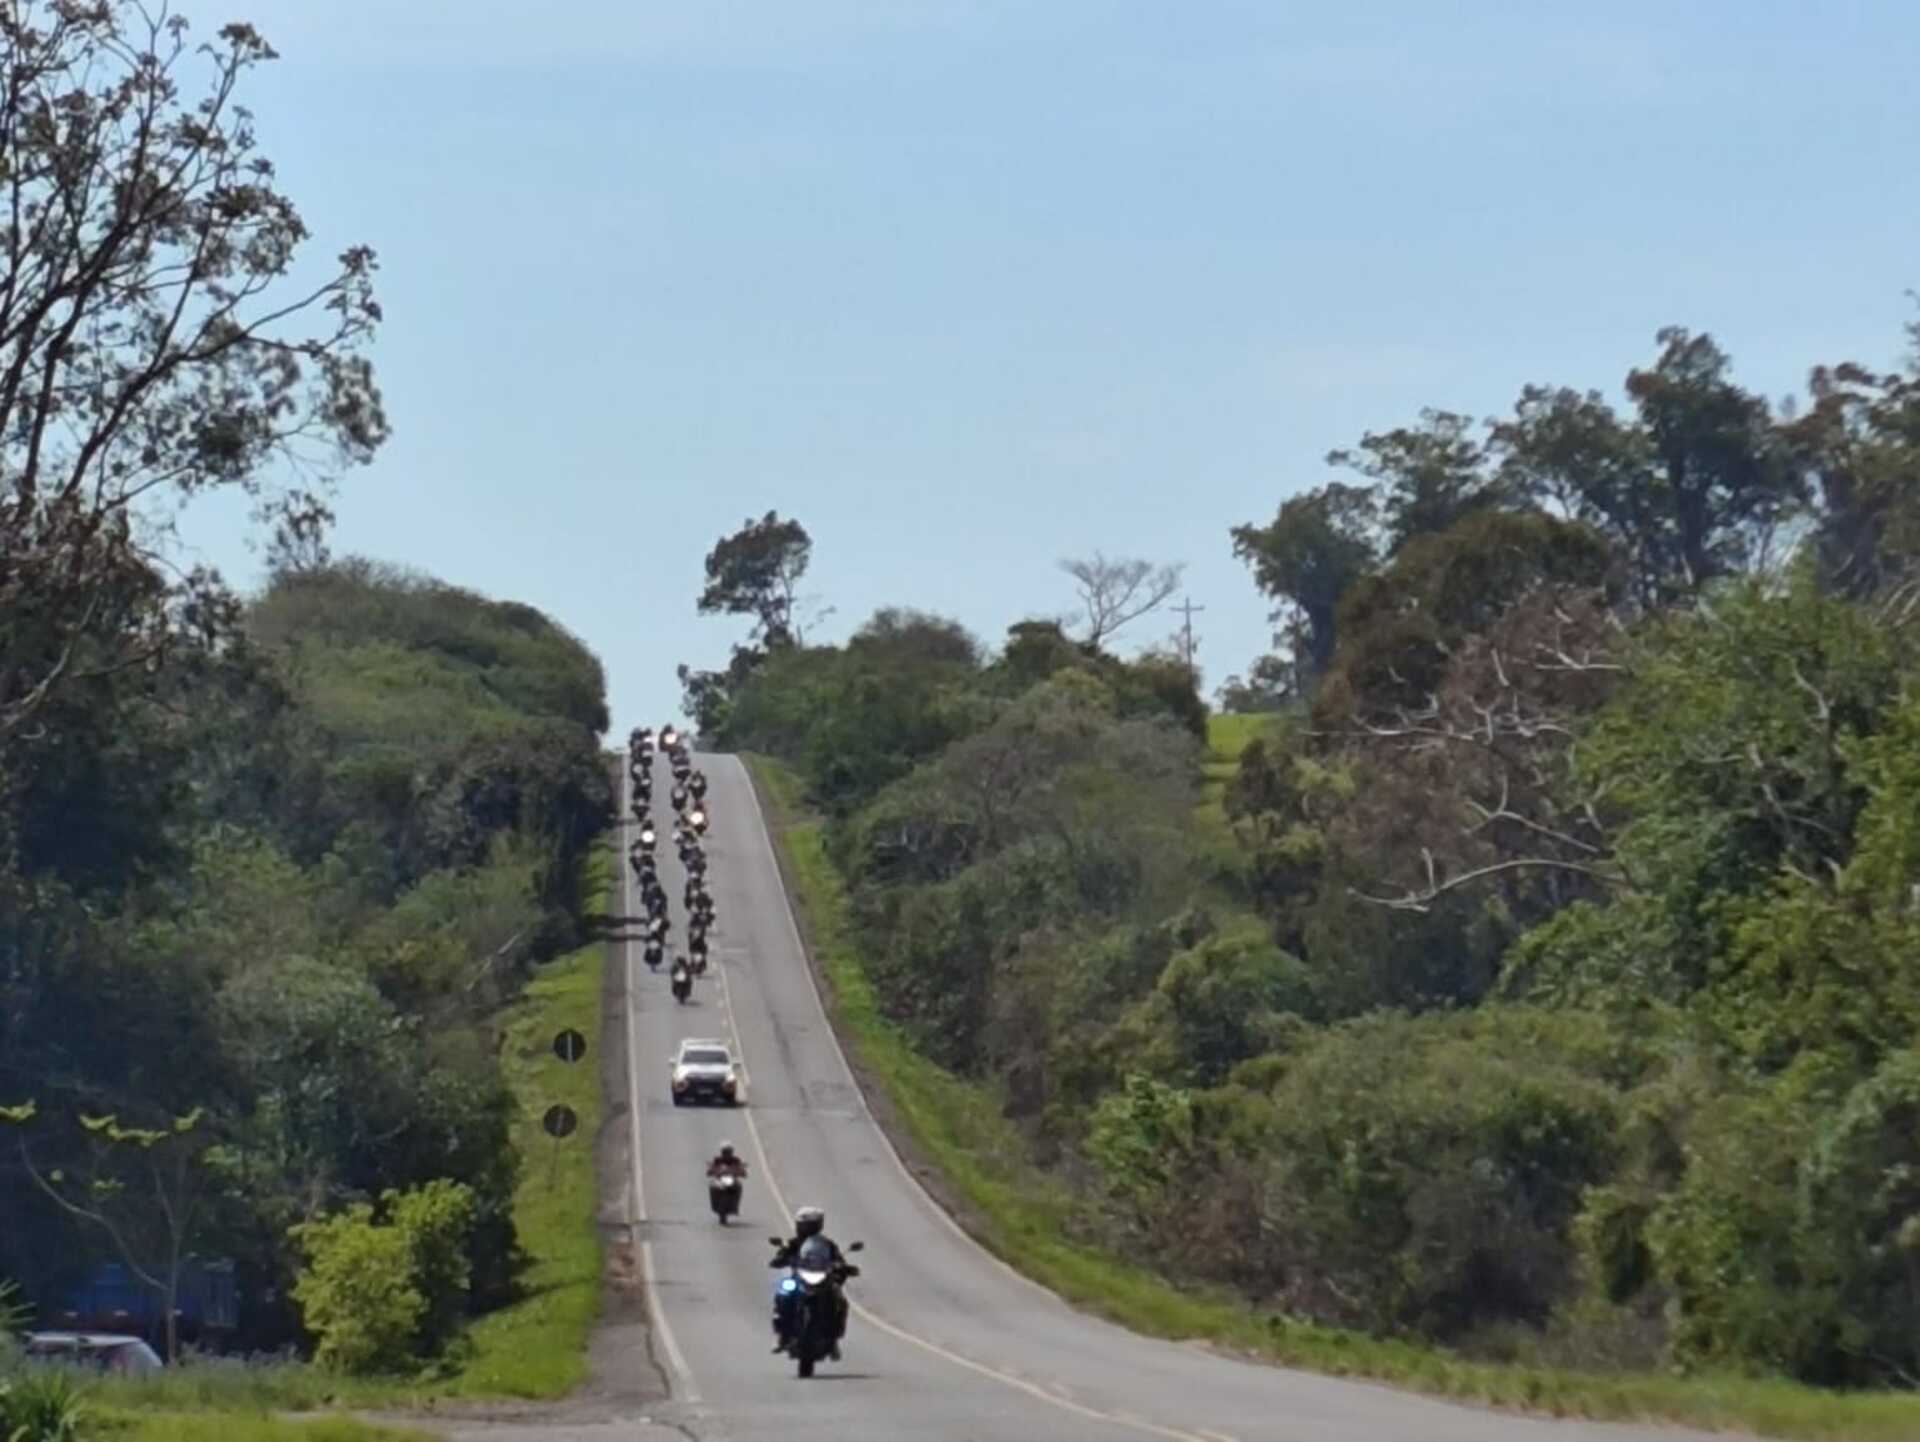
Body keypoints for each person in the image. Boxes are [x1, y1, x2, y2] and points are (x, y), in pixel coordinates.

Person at [768, 1205, 851, 1358]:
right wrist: (780, 1259)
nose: (804, 1228)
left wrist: (843, 1267)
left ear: (817, 1226)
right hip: (799, 1277)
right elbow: (782, 1254)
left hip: (821, 1278)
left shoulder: (827, 1244)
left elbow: (838, 1259)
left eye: (808, 1226)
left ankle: (833, 1340)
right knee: (782, 1295)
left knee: (839, 1299)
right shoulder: (792, 1243)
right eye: (803, 1225)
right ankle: (782, 1336)